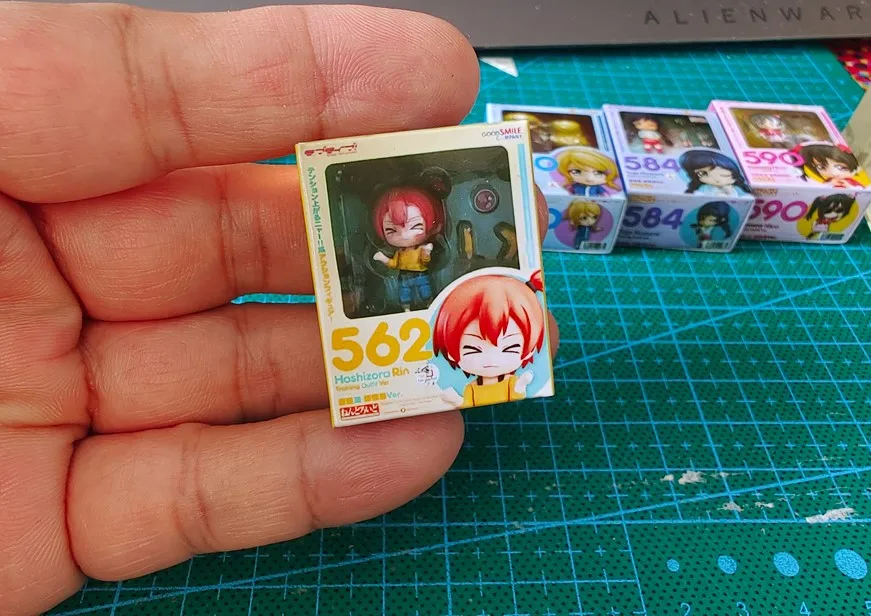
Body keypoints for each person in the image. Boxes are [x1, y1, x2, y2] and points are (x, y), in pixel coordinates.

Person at [0, 3, 559, 614]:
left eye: (413, 225)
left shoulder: (433, 250)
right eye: (395, 226)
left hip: (428, 296)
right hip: (397, 301)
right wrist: (384, 263)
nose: (405, 231)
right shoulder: (385, 249)